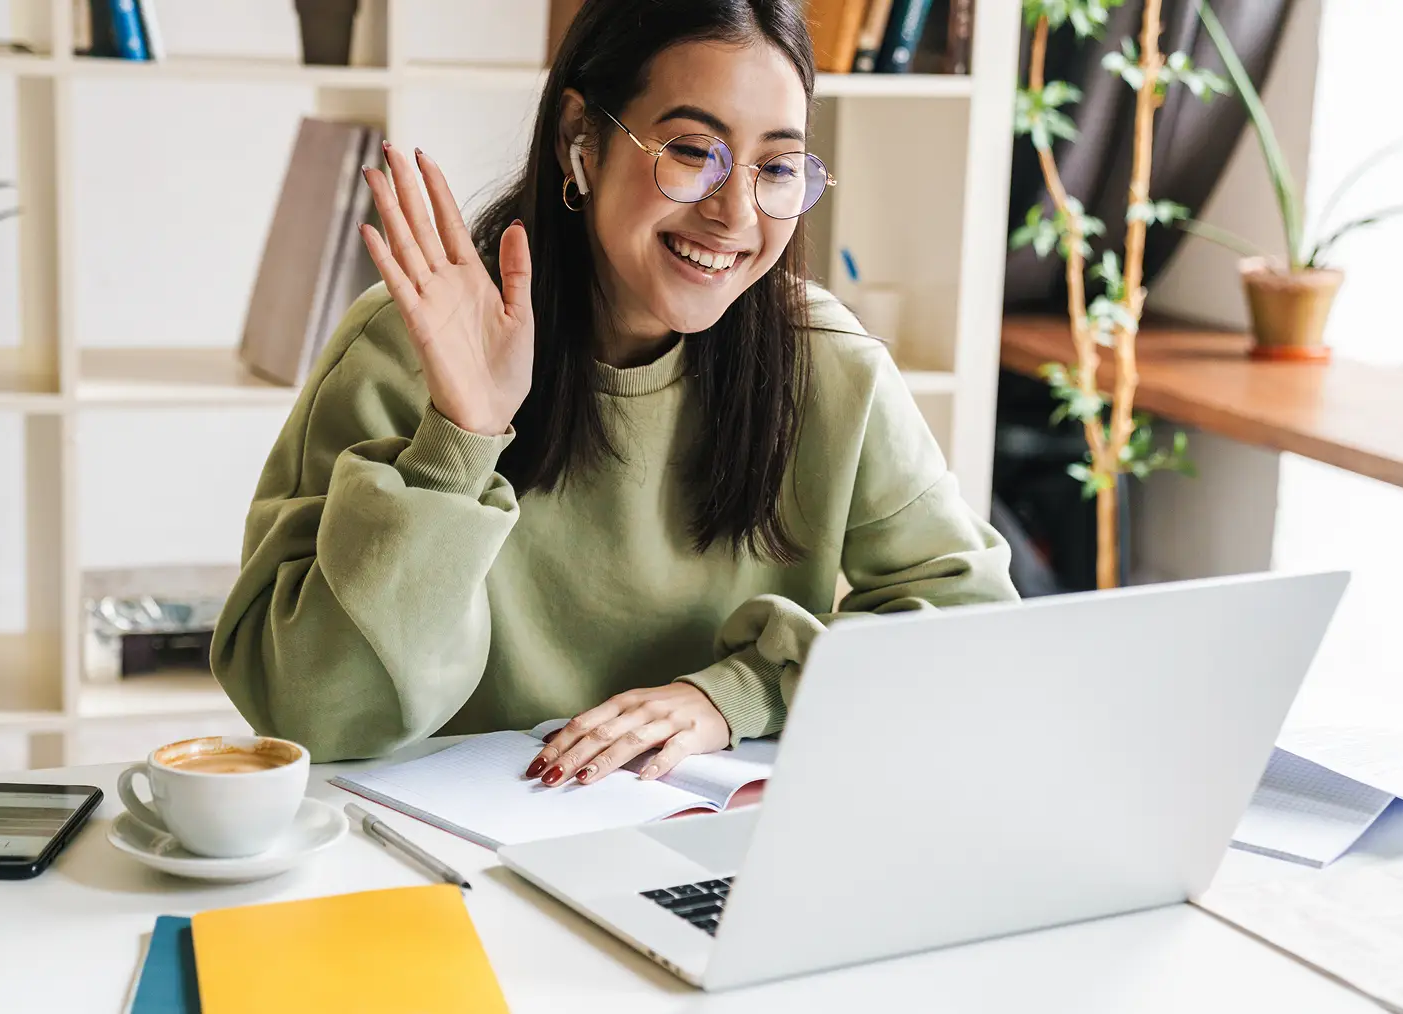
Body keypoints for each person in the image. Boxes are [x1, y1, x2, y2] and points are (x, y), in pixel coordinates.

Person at [211, 0, 1017, 786]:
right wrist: (461, 436)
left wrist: (739, 693)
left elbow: (975, 626)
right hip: (451, 857)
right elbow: (311, 714)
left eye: (776, 166)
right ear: (581, 140)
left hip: (717, 842)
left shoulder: (825, 361)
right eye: (694, 150)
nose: (735, 213)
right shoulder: (411, 344)